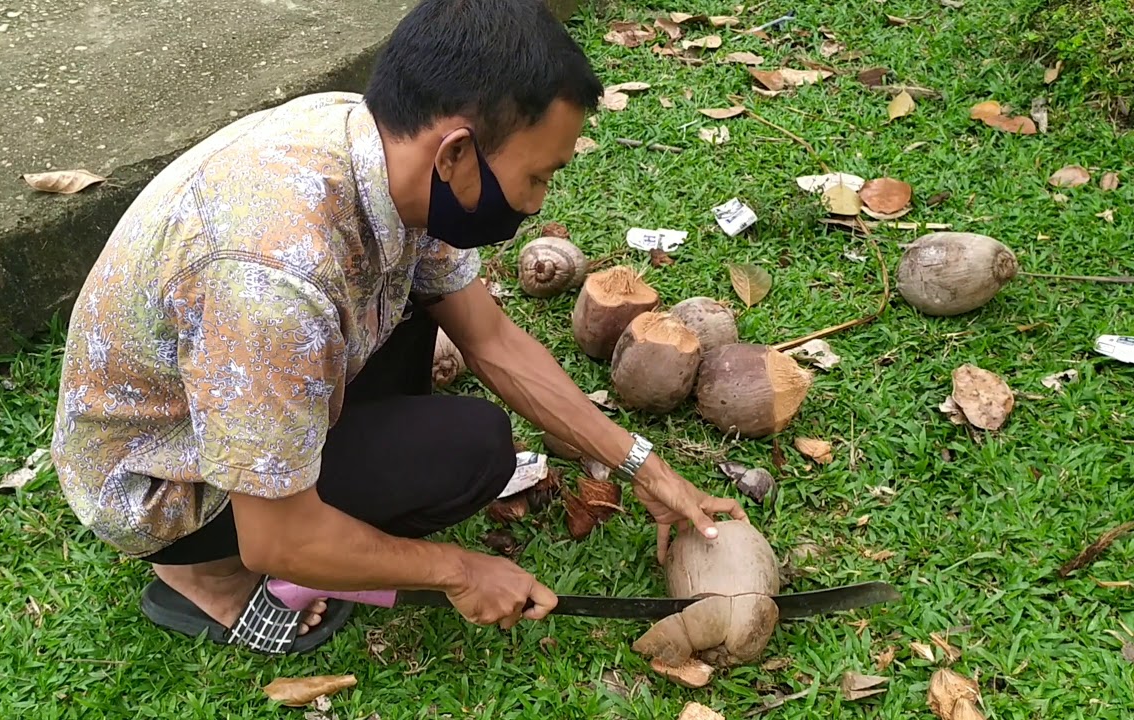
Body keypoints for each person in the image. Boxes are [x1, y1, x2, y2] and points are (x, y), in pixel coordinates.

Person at [49, 0, 747, 656]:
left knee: (427, 309)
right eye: (537, 177)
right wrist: (459, 571)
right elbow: (276, 538)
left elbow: (492, 339)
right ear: (455, 154)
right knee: (468, 452)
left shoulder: (377, 142)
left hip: (249, 377)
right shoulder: (270, 281)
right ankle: (203, 582)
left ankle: (317, 495)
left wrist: (643, 467)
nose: (536, 203)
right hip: (161, 480)